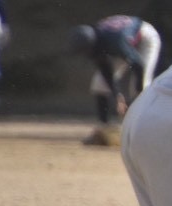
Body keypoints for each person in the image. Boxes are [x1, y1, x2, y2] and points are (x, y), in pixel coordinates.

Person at [68, 14, 161, 143]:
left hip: (145, 38)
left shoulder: (116, 41)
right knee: (99, 84)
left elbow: (138, 66)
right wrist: (118, 96)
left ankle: (143, 131)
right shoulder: (96, 39)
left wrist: (138, 93)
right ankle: (104, 130)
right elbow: (105, 70)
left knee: (141, 86)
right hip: (126, 41)